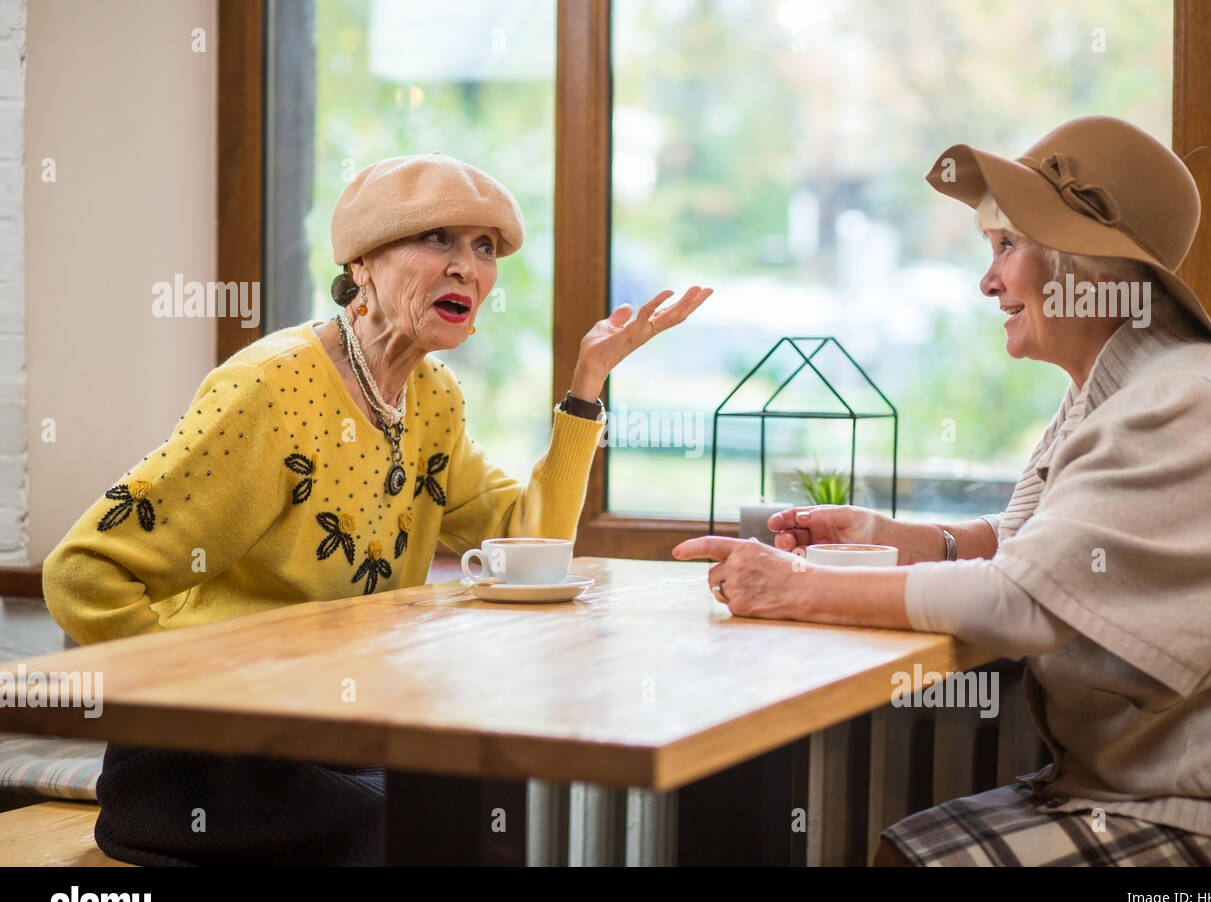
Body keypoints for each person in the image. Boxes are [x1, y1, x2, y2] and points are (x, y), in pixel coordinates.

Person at [43, 152, 711, 865]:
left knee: (495, 805)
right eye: (437, 239)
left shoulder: (433, 399)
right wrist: (206, 704)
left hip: (339, 736)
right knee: (446, 834)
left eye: (484, 248)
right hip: (208, 769)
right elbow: (84, 573)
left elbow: (528, 545)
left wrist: (587, 385)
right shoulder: (270, 388)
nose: (467, 267)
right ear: (360, 263)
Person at [674, 116, 1211, 866]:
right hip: (1138, 785)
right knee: (898, 852)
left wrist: (793, 588)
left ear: (1087, 264)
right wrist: (902, 539)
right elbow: (1029, 544)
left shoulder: (1179, 401)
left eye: (1007, 246)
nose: (988, 280)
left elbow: (1021, 603)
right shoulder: (1120, 384)